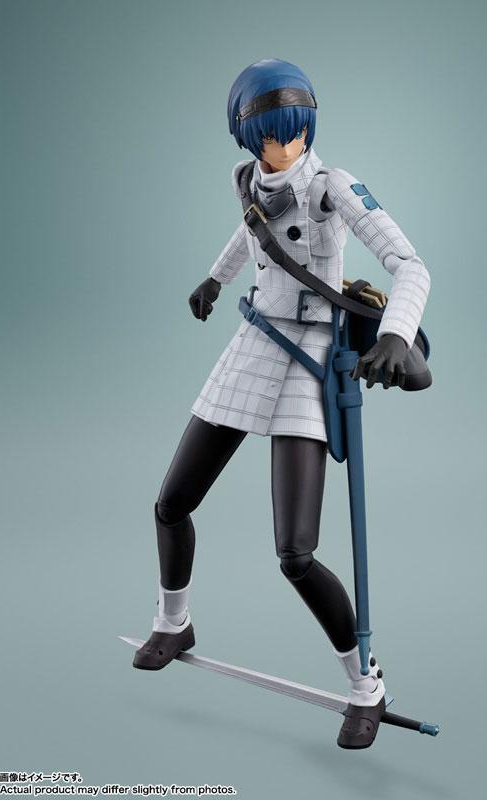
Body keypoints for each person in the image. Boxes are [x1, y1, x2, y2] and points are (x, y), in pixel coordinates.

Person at [133, 58, 430, 750]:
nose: (285, 146)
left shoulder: (332, 187)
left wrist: (396, 333)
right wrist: (215, 279)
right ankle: (174, 622)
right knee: (170, 503)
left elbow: (410, 265)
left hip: (310, 356)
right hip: (254, 343)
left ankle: (367, 684)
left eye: (295, 132)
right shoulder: (250, 181)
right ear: (248, 137)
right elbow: (251, 230)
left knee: (295, 553)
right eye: (270, 135)